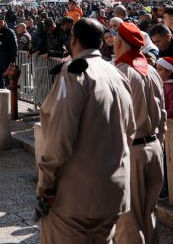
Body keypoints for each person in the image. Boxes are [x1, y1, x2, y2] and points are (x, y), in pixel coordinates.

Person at [37, 18, 135, 243]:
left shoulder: (73, 72)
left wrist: (47, 181)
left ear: (73, 39)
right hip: (113, 190)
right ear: (102, 43)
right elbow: (130, 130)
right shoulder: (117, 74)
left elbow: (61, 133)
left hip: (75, 196)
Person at [112, 22, 166, 244]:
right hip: (153, 148)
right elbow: (162, 113)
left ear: (118, 43)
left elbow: (117, 120)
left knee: (128, 221)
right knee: (148, 216)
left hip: (131, 151)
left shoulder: (120, 73)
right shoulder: (152, 70)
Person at [0, 15, 18, 88]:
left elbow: (14, 48)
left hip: (6, 61)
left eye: (1, 21)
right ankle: (2, 98)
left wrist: (12, 61)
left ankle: (9, 98)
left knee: (8, 82)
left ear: (4, 22)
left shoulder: (9, 32)